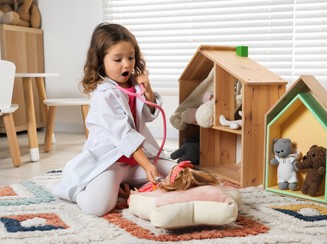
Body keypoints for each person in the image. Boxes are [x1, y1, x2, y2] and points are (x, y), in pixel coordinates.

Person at [52, 22, 177, 216]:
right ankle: (83, 191)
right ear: (101, 61)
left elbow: (148, 115)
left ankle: (127, 184)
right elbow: (124, 135)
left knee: (180, 175)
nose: (126, 64)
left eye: (131, 57)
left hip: (136, 161)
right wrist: (147, 166)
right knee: (98, 207)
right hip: (111, 162)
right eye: (118, 59)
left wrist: (148, 91)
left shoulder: (135, 85)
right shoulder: (104, 96)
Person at [131, 161, 220, 195]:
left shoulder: (160, 193)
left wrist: (134, 195)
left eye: (167, 176)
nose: (164, 178)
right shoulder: (162, 186)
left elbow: (142, 199)